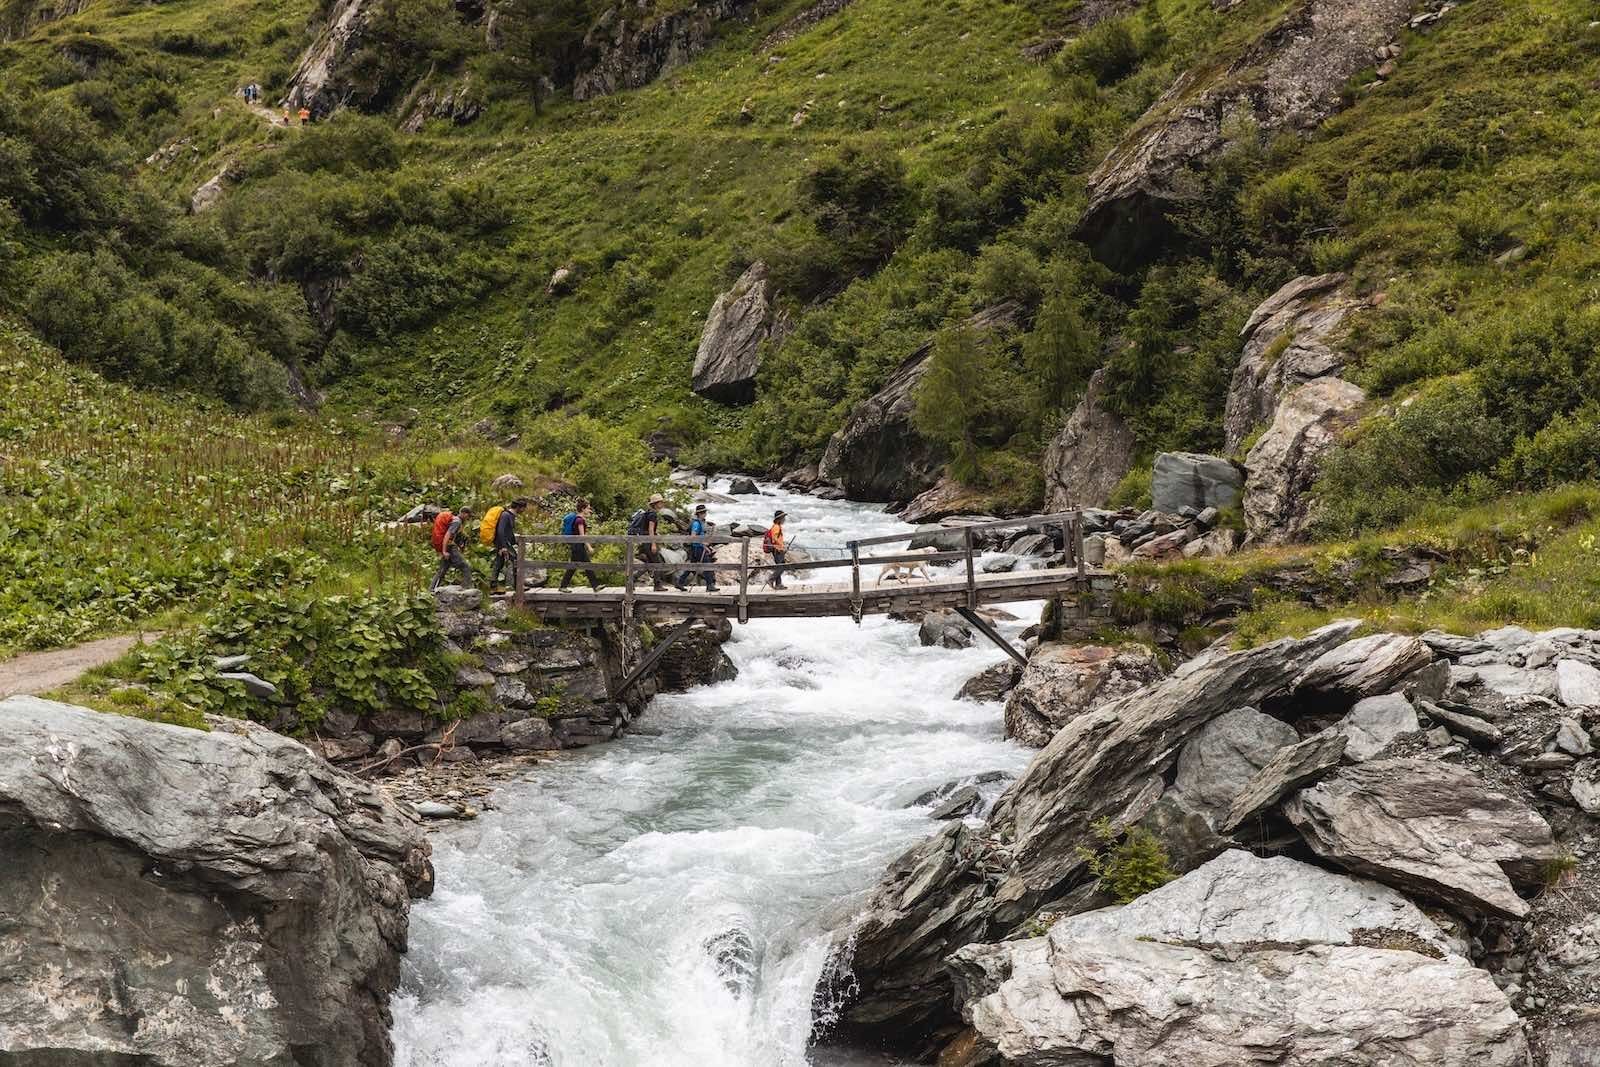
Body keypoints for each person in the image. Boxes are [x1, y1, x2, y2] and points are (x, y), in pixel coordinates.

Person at [628, 493, 670, 592]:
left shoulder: (648, 513)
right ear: (656, 504)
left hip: (644, 541)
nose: (662, 504)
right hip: (649, 542)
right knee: (658, 563)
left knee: (649, 564)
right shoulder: (653, 514)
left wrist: (656, 534)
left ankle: (632, 579)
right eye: (660, 502)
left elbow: (647, 529)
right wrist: (653, 544)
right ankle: (657, 585)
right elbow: (650, 529)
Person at [558, 499, 602, 591]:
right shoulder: (580, 520)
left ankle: (595, 586)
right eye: (588, 508)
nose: (589, 510)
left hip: (577, 546)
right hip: (578, 546)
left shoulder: (578, 519)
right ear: (583, 509)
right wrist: (589, 547)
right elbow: (582, 536)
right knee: (576, 566)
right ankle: (563, 586)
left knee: (580, 566)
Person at [430, 505, 474, 591]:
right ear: (464, 513)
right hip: (449, 547)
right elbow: (447, 535)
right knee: (465, 567)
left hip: (446, 546)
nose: (468, 518)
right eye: (468, 516)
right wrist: (444, 551)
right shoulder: (457, 522)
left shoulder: (453, 519)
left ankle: (431, 590)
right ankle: (467, 589)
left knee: (443, 569)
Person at [676, 504, 718, 592]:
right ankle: (710, 585)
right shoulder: (696, 523)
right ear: (700, 513)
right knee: (707, 565)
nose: (705, 514)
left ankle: (679, 582)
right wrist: (703, 544)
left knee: (692, 566)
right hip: (697, 548)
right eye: (704, 512)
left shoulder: (698, 522)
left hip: (696, 547)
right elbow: (693, 536)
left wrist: (704, 546)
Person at [489, 498, 525, 593]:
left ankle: (493, 587)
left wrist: (515, 542)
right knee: (516, 560)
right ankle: (518, 586)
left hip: (503, 543)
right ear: (518, 507)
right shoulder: (506, 515)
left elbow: (509, 532)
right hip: (503, 543)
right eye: (523, 508)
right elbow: (501, 531)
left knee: (499, 563)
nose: (523, 510)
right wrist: (503, 547)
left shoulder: (510, 516)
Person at [763, 509, 788, 589]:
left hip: (777, 549)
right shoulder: (776, 527)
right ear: (779, 519)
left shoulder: (776, 526)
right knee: (781, 567)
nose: (784, 519)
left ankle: (778, 584)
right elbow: (774, 538)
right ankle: (771, 579)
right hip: (777, 549)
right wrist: (782, 546)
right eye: (783, 518)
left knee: (779, 566)